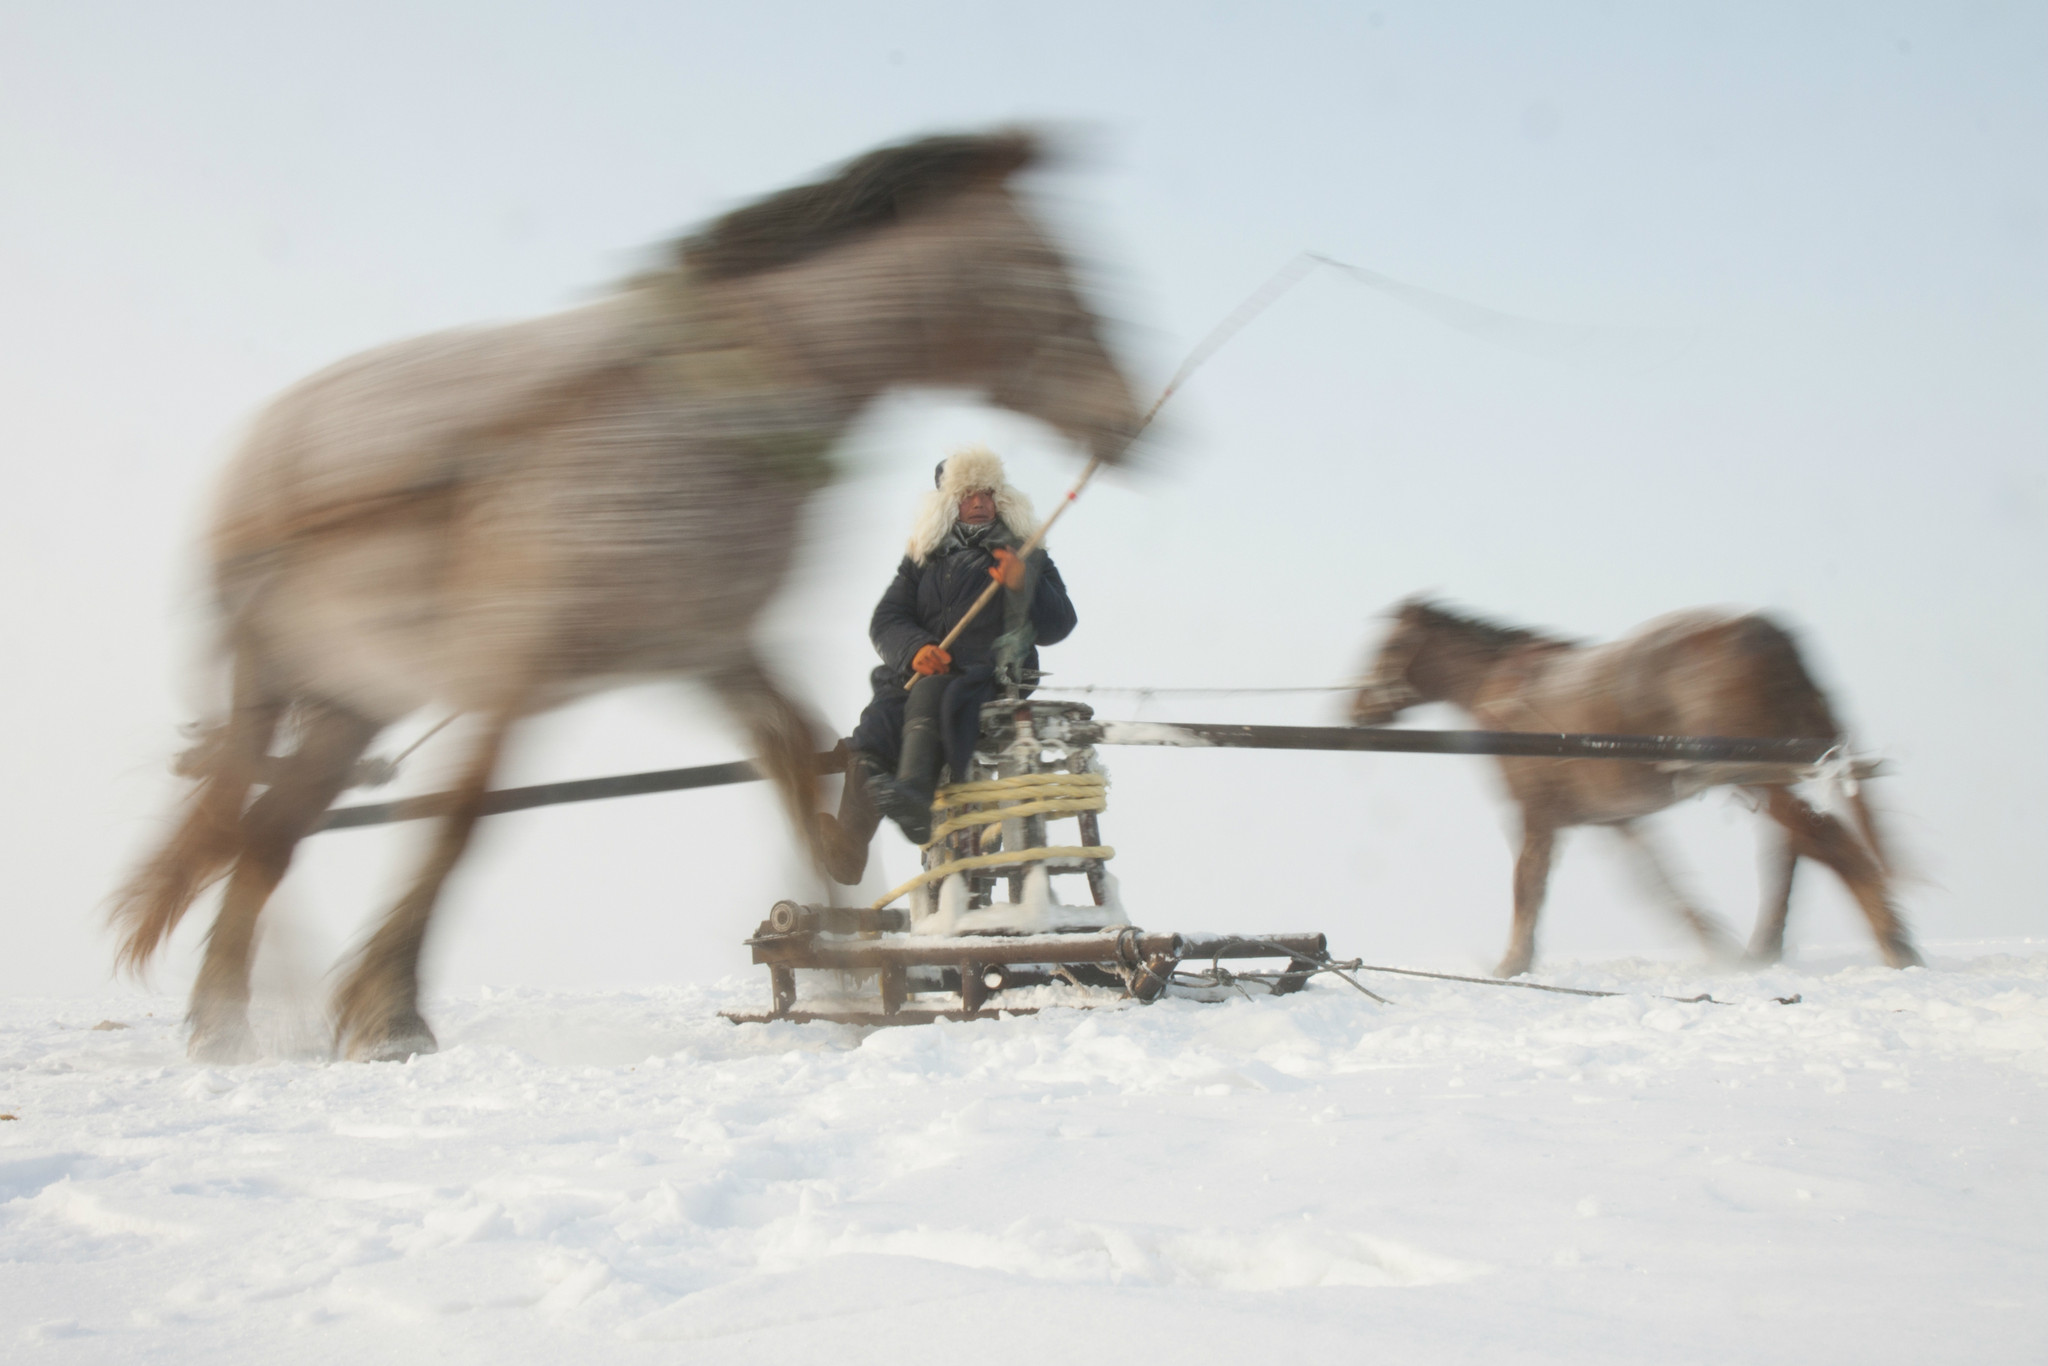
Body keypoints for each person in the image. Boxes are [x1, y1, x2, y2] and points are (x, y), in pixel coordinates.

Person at [818, 447, 1077, 883]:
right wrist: (915, 648)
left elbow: (1060, 623)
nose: (979, 502)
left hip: (988, 677)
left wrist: (1023, 583)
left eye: (987, 493)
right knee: (877, 724)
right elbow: (886, 620)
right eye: (967, 494)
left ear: (1000, 499)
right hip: (917, 675)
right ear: (950, 503)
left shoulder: (1025, 552)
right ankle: (848, 849)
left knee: (933, 693)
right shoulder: (923, 559)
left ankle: (915, 801)